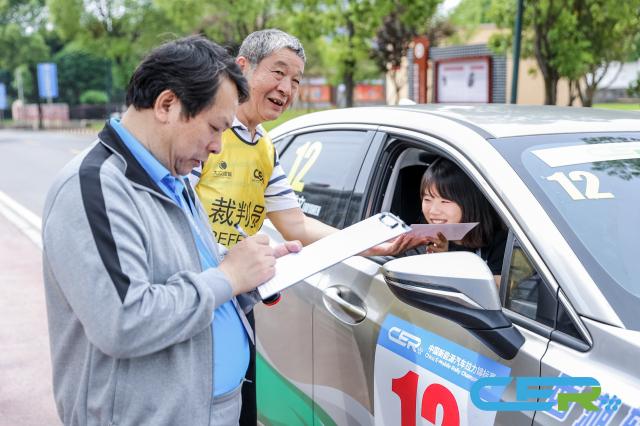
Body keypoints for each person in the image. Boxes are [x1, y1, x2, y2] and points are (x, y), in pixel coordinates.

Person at [41, 35, 301, 426]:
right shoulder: (95, 188)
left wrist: (247, 277)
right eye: (214, 128)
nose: (217, 147)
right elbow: (124, 321)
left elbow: (192, 273)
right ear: (167, 105)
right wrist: (230, 278)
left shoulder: (172, 178)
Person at [189, 28, 416, 425]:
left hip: (238, 301)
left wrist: (367, 243)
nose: (286, 88)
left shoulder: (264, 146)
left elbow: (295, 224)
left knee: (239, 407)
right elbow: (173, 212)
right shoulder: (209, 133)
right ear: (243, 68)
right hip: (199, 294)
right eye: (278, 73)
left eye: (295, 80)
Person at [404, 157, 507, 282]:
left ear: (469, 203)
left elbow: (496, 288)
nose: (433, 211)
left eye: (445, 201)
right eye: (427, 200)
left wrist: (448, 261)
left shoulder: (499, 242)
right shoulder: (417, 242)